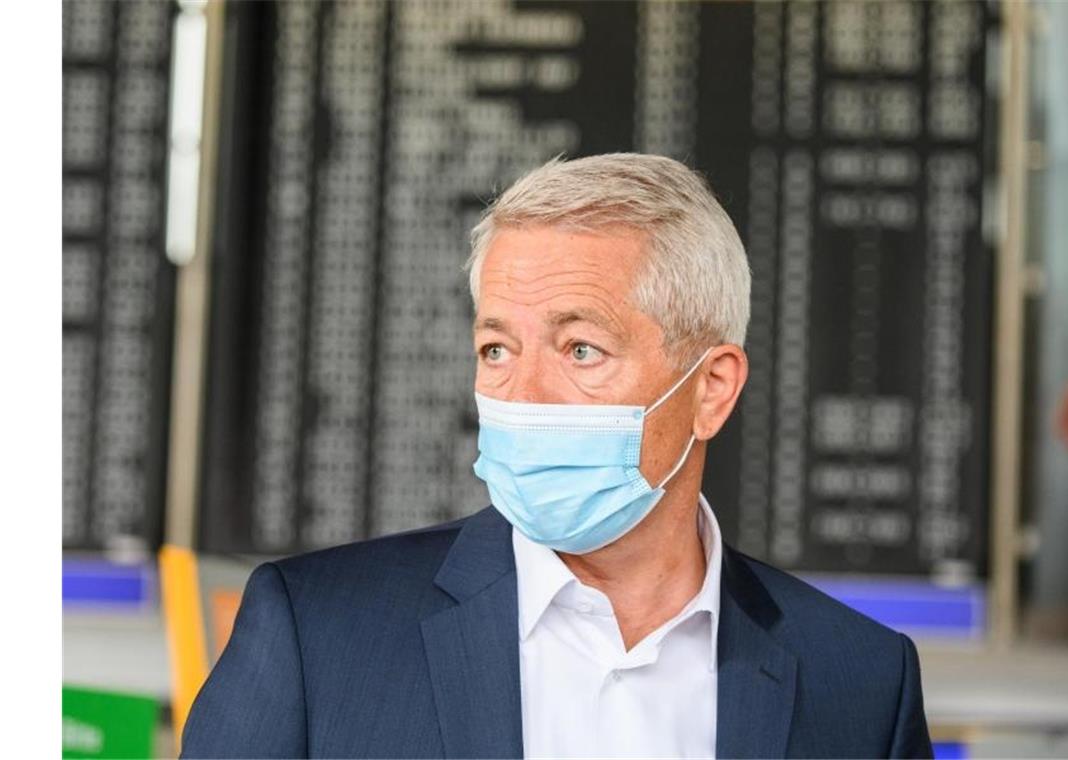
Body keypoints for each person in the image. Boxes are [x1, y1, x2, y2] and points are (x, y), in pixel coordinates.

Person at [181, 153, 933, 759]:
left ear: (710, 388)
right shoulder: (319, 636)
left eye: (581, 348)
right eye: (497, 348)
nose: (524, 392)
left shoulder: (862, 684)